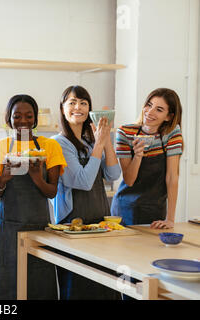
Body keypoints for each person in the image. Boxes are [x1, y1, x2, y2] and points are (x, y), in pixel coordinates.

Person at [0, 94, 67, 300]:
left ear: (35, 119)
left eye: (29, 116)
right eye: (17, 116)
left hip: (39, 228)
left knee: (39, 284)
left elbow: (52, 192)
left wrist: (37, 178)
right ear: (8, 119)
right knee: (5, 286)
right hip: (6, 230)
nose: (23, 121)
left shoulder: (50, 146)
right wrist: (3, 178)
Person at [50, 85, 122, 300]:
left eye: (83, 102)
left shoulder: (93, 141)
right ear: (62, 109)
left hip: (100, 220)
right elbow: (82, 181)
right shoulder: (58, 143)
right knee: (79, 287)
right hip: (73, 225)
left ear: (90, 109)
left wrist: (105, 138)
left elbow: (113, 174)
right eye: (71, 102)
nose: (77, 107)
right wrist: (99, 144)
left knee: (104, 284)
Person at [111, 88, 183, 229]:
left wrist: (170, 219)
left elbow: (172, 177)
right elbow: (129, 180)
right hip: (125, 209)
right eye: (149, 105)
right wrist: (138, 155)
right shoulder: (125, 132)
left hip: (155, 210)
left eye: (159, 109)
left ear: (168, 116)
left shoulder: (171, 134)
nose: (150, 112)